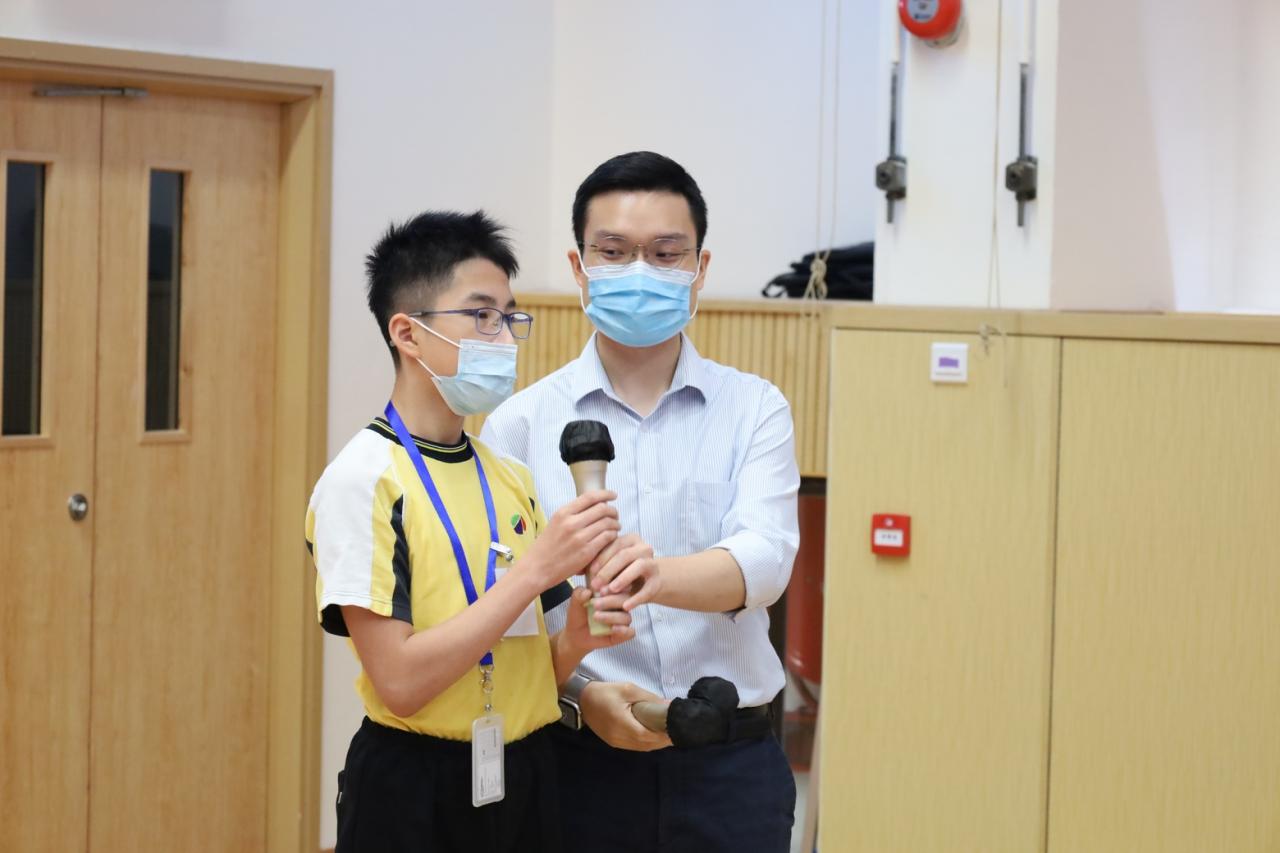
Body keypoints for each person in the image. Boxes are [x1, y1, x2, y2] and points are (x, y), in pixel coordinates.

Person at [481, 152, 801, 852]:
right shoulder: (519, 425)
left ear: (700, 268)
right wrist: (578, 695)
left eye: (664, 254)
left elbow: (766, 559)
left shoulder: (755, 408)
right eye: (614, 252)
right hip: (577, 757)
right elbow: (510, 611)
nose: (638, 271)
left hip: (731, 765)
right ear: (579, 267)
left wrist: (656, 576)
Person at [306, 210, 645, 852]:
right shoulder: (363, 480)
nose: (504, 337)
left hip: (527, 770)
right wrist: (534, 573)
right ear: (407, 333)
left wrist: (575, 636)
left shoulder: (507, 476)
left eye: (510, 318)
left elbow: (530, 670)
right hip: (415, 783)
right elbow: (401, 684)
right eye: (481, 315)